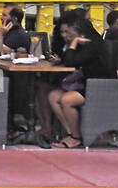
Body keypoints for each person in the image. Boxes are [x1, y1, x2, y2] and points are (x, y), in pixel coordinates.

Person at [42, 17, 114, 148]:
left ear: (80, 31)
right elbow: (72, 59)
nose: (66, 36)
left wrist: (73, 43)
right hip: (88, 84)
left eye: (69, 33)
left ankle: (76, 138)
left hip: (101, 87)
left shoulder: (94, 44)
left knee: (66, 100)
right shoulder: (84, 44)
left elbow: (71, 62)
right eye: (64, 33)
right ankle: (72, 134)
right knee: (53, 96)